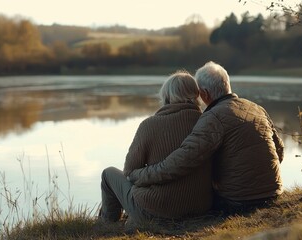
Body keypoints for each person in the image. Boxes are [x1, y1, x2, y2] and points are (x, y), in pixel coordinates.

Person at [128, 61, 284, 214]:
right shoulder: (257, 108)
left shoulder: (213, 117)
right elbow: (279, 150)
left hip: (238, 202)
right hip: (274, 192)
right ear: (227, 84)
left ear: (204, 94)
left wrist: (138, 175)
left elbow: (180, 162)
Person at [99, 70, 213, 226]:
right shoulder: (207, 124)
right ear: (196, 95)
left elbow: (129, 172)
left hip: (157, 209)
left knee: (108, 174)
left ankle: (107, 225)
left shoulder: (149, 125)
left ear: (166, 96)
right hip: (200, 207)